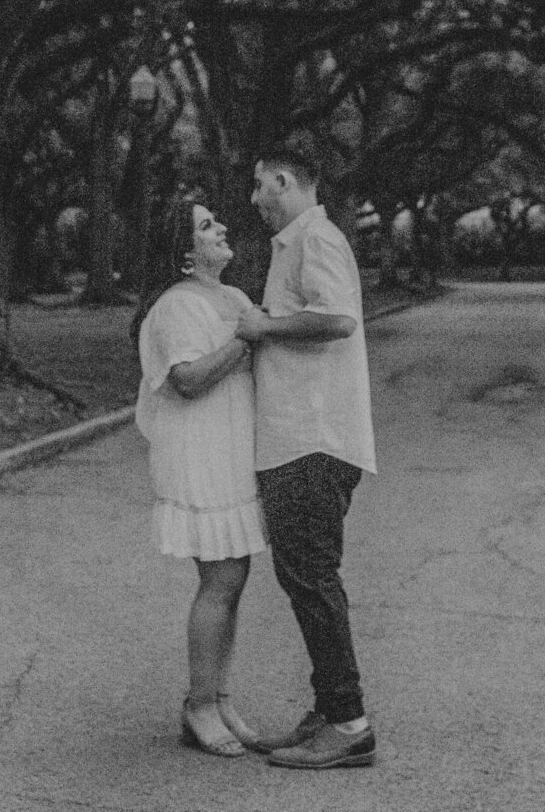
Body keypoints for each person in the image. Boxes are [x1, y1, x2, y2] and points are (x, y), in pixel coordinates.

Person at [237, 135, 378, 770]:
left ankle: (348, 723)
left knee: (311, 576)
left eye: (261, 185)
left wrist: (264, 325)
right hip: (297, 440)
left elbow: (339, 318)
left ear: (288, 182)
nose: (253, 198)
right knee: (302, 576)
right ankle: (329, 708)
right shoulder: (294, 245)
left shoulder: (316, 241)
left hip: (313, 440)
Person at [134, 194, 266, 759]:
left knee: (233, 579)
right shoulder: (177, 305)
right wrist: (246, 338)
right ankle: (198, 706)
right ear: (185, 256)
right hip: (200, 452)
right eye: (207, 226)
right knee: (220, 580)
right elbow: (187, 379)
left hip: (234, 446)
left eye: (215, 221)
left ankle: (219, 696)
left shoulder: (233, 296)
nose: (221, 228)